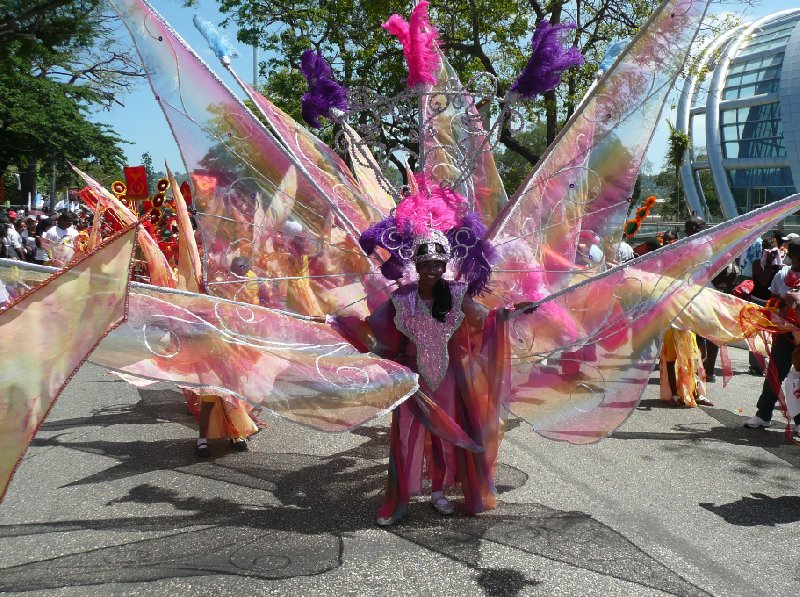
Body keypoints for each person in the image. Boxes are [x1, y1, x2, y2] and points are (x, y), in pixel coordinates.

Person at [368, 227, 535, 526]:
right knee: (405, 439)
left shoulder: (457, 294)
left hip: (448, 380)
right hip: (412, 379)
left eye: (437, 263)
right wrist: (333, 321)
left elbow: (485, 320)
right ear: (416, 266)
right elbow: (375, 328)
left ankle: (438, 492)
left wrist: (513, 312)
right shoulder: (402, 297)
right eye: (426, 263)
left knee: (445, 438)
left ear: (445, 265)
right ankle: (399, 498)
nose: (432, 269)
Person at [745, 239, 800, 434]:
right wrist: (783, 306)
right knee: (775, 373)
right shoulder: (782, 274)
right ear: (792, 256)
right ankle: (763, 414)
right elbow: (773, 300)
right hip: (786, 335)